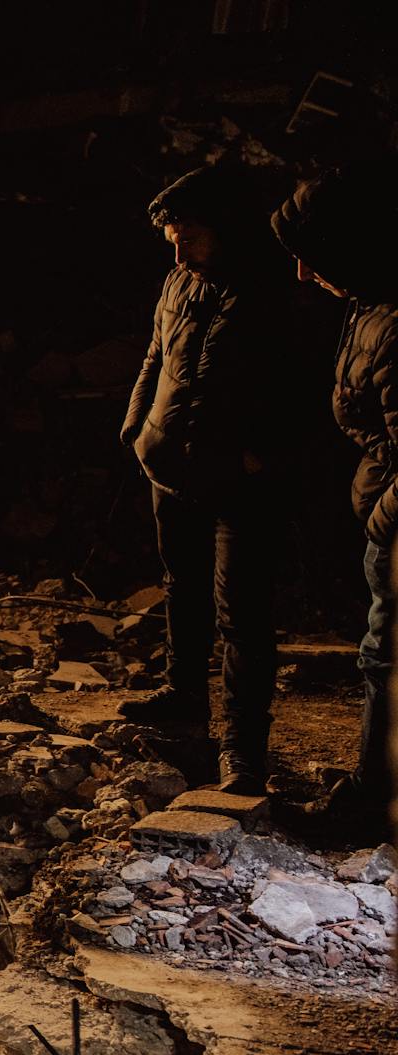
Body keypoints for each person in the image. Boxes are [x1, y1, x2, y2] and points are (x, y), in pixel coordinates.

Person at [117, 165, 296, 794]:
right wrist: (137, 425)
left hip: (241, 482)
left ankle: (242, 747)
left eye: (188, 235)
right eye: (172, 237)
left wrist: (265, 453)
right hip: (169, 464)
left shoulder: (274, 288)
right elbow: (155, 354)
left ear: (225, 230)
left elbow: (304, 379)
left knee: (241, 613)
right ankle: (184, 693)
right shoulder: (177, 281)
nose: (178, 248)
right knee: (181, 583)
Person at [272, 163, 398, 834]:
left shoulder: (394, 322)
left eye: (309, 258)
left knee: (386, 655)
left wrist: (380, 518)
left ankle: (371, 803)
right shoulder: (368, 302)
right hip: (383, 505)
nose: (301, 275)